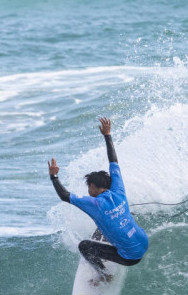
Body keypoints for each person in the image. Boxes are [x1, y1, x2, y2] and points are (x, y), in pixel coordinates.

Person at [48, 117, 149, 276]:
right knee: (112, 220)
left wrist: (54, 177)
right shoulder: (118, 190)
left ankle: (104, 275)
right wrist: (107, 135)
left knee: (84, 247)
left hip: (131, 257)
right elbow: (113, 160)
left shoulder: (94, 203)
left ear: (93, 187)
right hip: (144, 241)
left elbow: (64, 196)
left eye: (89, 186)